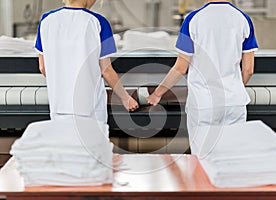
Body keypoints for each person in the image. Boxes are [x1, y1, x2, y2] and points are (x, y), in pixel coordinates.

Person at [147, 0, 258, 154]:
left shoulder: (193, 19)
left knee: (203, 159)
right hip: (234, 102)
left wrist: (157, 93)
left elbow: (180, 67)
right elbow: (248, 69)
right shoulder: (243, 19)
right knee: (233, 157)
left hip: (204, 103)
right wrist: (236, 87)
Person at [35, 0, 139, 123]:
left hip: (59, 106)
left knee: (64, 140)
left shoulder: (46, 20)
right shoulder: (99, 22)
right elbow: (106, 70)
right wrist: (125, 98)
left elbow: (43, 67)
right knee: (92, 141)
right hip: (91, 108)